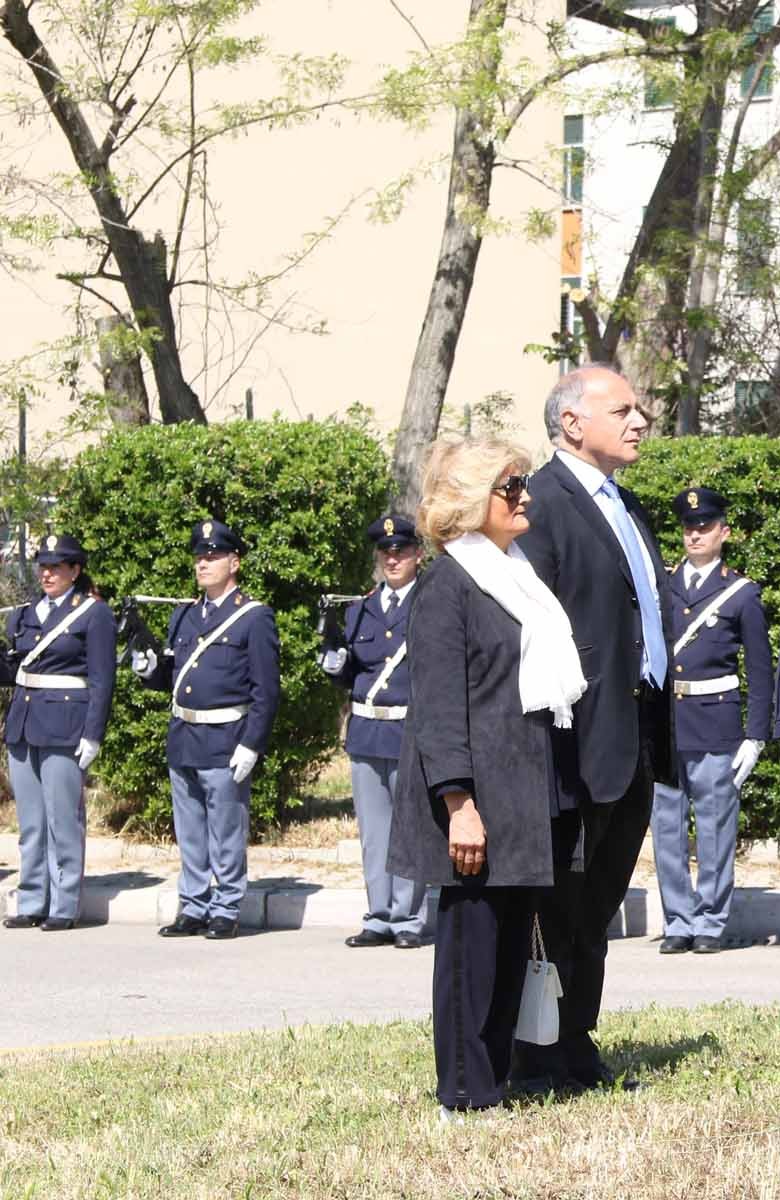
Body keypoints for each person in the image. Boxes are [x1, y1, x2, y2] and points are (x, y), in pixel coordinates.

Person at [387, 439, 582, 1117]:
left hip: (524, 791)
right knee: (472, 949)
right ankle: (464, 1091)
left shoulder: (513, 572)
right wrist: (458, 804)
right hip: (477, 796)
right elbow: (440, 707)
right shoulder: (450, 583)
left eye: (523, 483)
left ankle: (493, 1079)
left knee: (506, 944)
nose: (524, 496)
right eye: (510, 487)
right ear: (473, 503)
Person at [512, 364, 673, 1094]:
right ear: (572, 422)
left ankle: (577, 1046)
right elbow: (531, 632)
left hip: (634, 735)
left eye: (641, 410)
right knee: (559, 906)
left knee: (600, 902)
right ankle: (538, 1055)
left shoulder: (626, 505)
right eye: (623, 410)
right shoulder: (541, 505)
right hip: (573, 743)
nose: (639, 421)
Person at [132, 520, 279, 941]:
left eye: (213, 556)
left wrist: (252, 743)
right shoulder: (185, 615)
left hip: (226, 738)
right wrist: (148, 671)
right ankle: (193, 905)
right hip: (185, 735)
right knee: (191, 830)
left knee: (226, 829)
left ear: (235, 562)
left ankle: (226, 906)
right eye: (200, 556)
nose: (204, 563)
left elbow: (266, 690)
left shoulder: (253, 617)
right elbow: (174, 676)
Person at [652, 486, 773, 955]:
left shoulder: (740, 594)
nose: (695, 534)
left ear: (724, 531)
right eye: (688, 527)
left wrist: (756, 735)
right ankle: (678, 919)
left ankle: (709, 920)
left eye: (704, 526)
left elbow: (760, 671)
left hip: (716, 724)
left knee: (716, 826)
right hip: (669, 724)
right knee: (666, 826)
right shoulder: (665, 587)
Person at [320, 514, 429, 950]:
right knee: (374, 833)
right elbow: (351, 673)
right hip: (366, 730)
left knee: (410, 827)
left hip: (409, 729)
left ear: (418, 554)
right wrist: (332, 662)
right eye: (386, 552)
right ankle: (379, 915)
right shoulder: (359, 609)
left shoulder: (428, 604)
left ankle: (407, 918)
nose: (393, 558)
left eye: (401, 550)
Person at [2, 535, 115, 932]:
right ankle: (33, 898)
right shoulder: (23, 613)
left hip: (66, 725)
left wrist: (93, 733)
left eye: (58, 566)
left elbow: (102, 679)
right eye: (44, 566)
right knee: (31, 821)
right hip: (24, 722)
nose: (47, 573)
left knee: (63, 819)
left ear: (75, 570)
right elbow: (13, 670)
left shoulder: (92, 613)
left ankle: (64, 904)